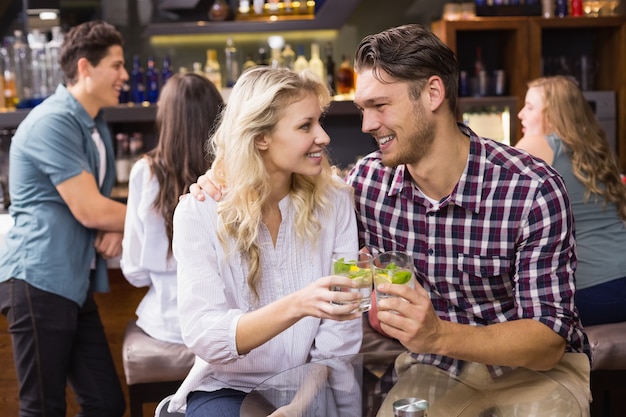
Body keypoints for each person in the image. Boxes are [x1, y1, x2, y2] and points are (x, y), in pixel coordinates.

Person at [193, 24, 592, 416]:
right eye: (364, 109)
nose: (366, 125)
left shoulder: (530, 189)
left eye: (380, 106)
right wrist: (222, 177)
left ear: (433, 93)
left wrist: (438, 335)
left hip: (537, 374)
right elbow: (285, 186)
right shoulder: (367, 184)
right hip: (434, 369)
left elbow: (548, 342)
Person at [168, 66, 363, 416]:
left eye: (320, 122)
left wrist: (298, 407)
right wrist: (300, 303)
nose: (323, 137)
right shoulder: (198, 213)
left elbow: (339, 337)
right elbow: (207, 336)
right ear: (261, 137)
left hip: (311, 384)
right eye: (305, 126)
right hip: (229, 388)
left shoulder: (336, 203)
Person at [0, 21, 128, 417]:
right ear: (87, 68)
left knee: (106, 404)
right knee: (42, 408)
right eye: (117, 65)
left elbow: (98, 208)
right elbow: (90, 209)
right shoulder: (53, 121)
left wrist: (116, 225)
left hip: (70, 284)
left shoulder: (94, 124)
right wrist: (169, 216)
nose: (125, 76)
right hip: (38, 280)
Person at [120, 72, 223, 344]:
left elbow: (134, 271)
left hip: (166, 322)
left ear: (165, 118)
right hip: (226, 325)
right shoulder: (231, 172)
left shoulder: (145, 172)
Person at [516, 75, 626, 327]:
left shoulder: (536, 145)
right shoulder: (596, 149)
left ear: (553, 115)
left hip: (592, 288)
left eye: (530, 107)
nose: (521, 114)